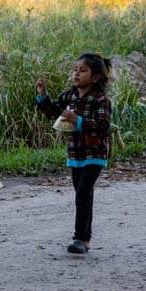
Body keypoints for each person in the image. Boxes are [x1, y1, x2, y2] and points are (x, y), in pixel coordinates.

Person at [35, 53, 112, 254]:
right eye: (75, 69)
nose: (76, 74)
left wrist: (77, 120)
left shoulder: (100, 99)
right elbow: (53, 113)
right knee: (84, 194)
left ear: (95, 77)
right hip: (75, 154)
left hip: (95, 154)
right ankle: (85, 240)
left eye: (83, 70)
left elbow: (103, 126)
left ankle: (78, 238)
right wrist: (43, 96)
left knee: (82, 194)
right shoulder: (69, 96)